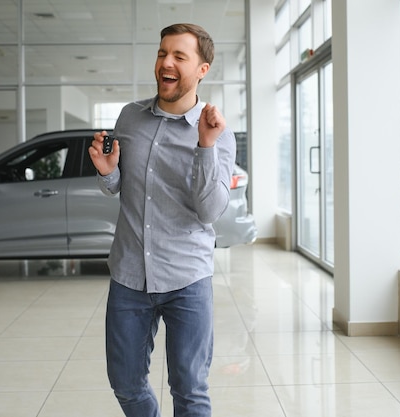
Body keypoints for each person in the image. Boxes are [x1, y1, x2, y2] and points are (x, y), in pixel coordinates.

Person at [88, 23, 236, 417]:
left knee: (189, 390)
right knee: (125, 383)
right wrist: (107, 172)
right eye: (161, 53)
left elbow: (210, 212)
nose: (165, 63)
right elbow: (116, 187)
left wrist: (204, 146)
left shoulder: (218, 134)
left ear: (202, 69)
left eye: (179, 57)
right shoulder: (129, 118)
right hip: (129, 275)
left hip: (187, 276)